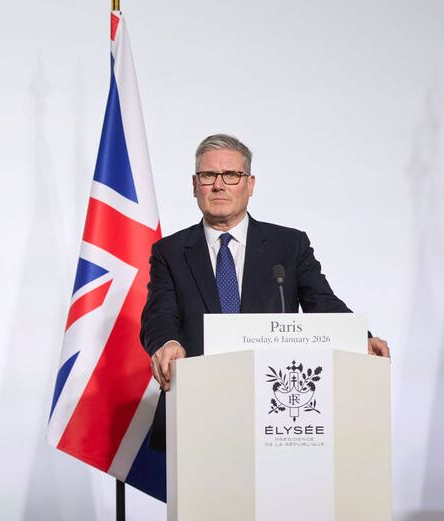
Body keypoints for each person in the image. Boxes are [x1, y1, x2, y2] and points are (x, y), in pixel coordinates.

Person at [141, 134, 388, 443]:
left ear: (250, 184)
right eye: (208, 175)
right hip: (197, 412)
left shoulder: (289, 245)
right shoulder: (170, 251)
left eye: (231, 175)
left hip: (275, 412)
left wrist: (360, 339)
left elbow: (322, 302)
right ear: (194, 185)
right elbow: (158, 314)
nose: (219, 185)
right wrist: (166, 343)